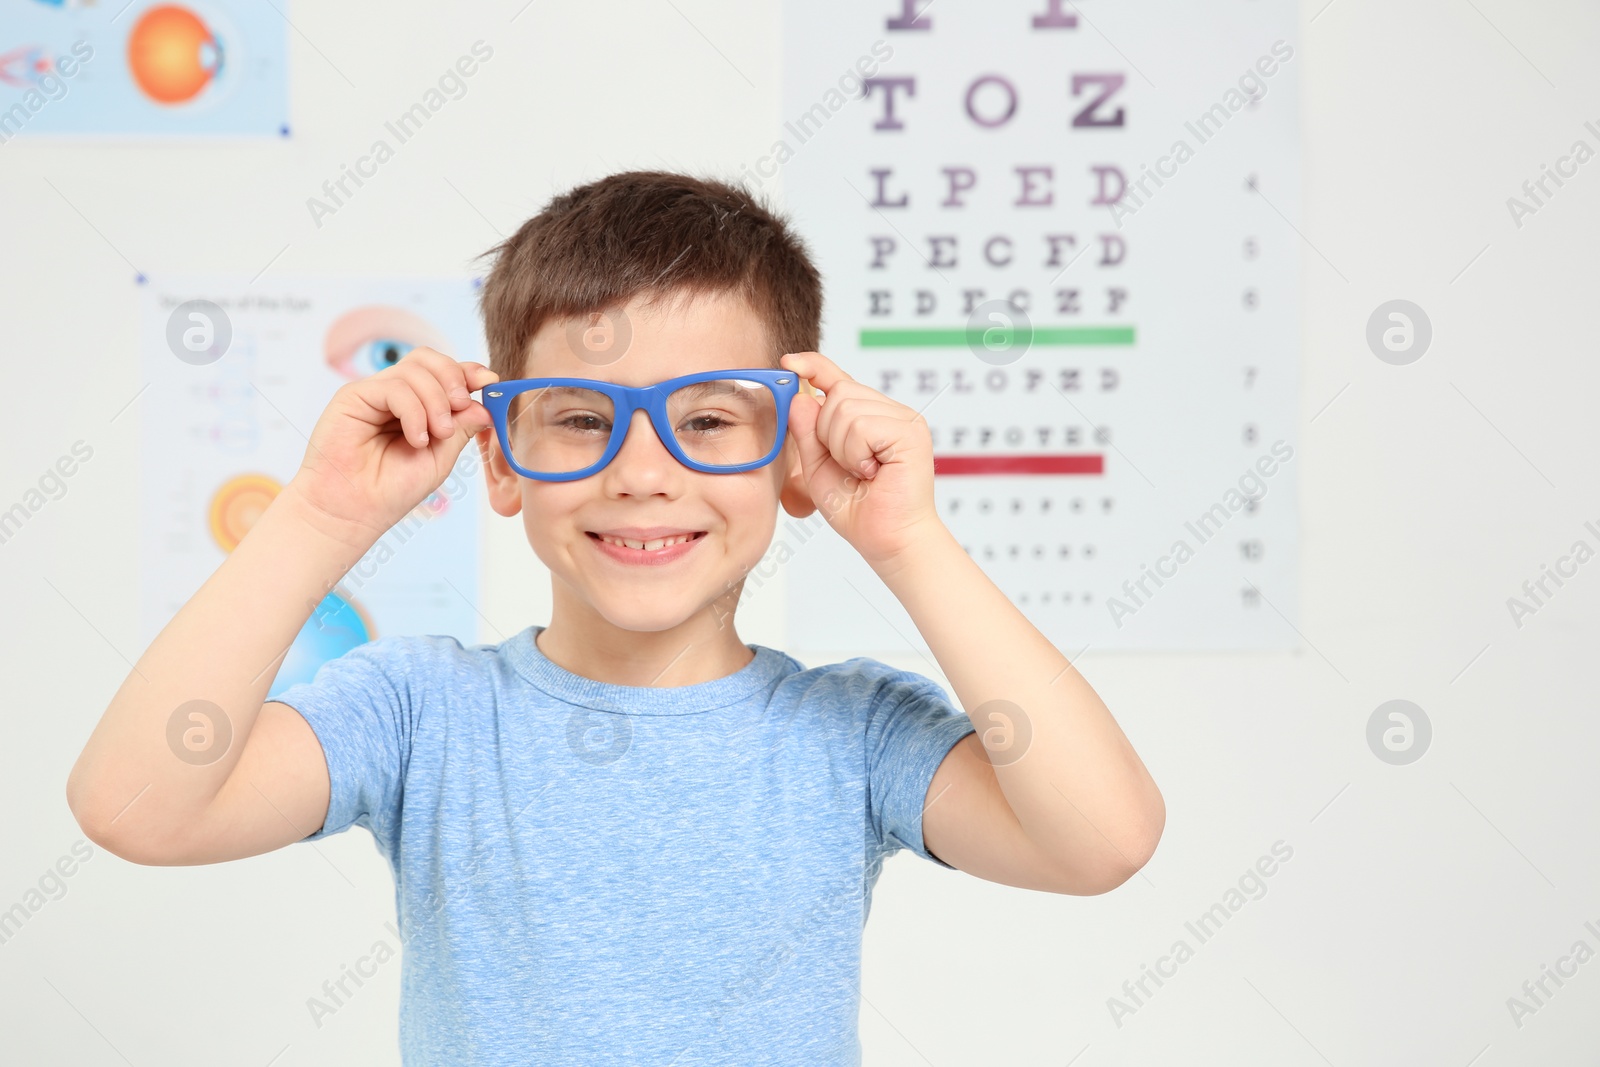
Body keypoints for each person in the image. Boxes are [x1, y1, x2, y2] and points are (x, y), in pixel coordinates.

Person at [66, 170, 1164, 1065]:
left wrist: (908, 541)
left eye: (707, 417)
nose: (643, 469)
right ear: (501, 458)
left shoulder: (854, 733)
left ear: (793, 449)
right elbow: (134, 806)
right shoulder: (418, 712)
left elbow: (1102, 839)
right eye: (584, 416)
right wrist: (316, 517)